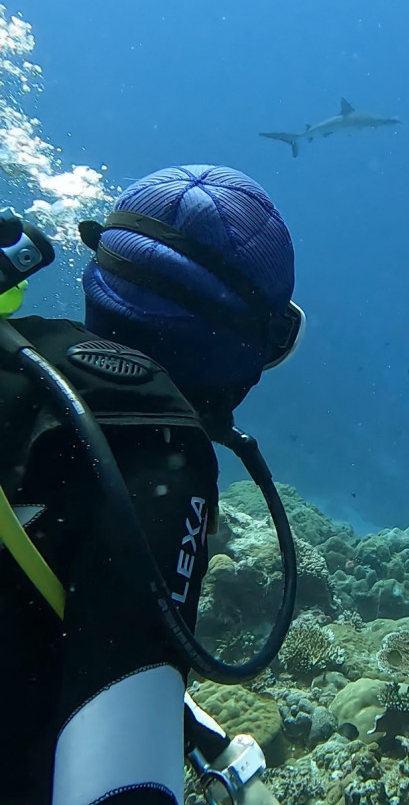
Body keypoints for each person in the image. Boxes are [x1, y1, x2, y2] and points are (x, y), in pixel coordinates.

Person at [0, 164, 304, 805]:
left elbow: (62, 616)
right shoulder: (159, 451)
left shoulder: (19, 360)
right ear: (248, 348)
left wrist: (192, 728)